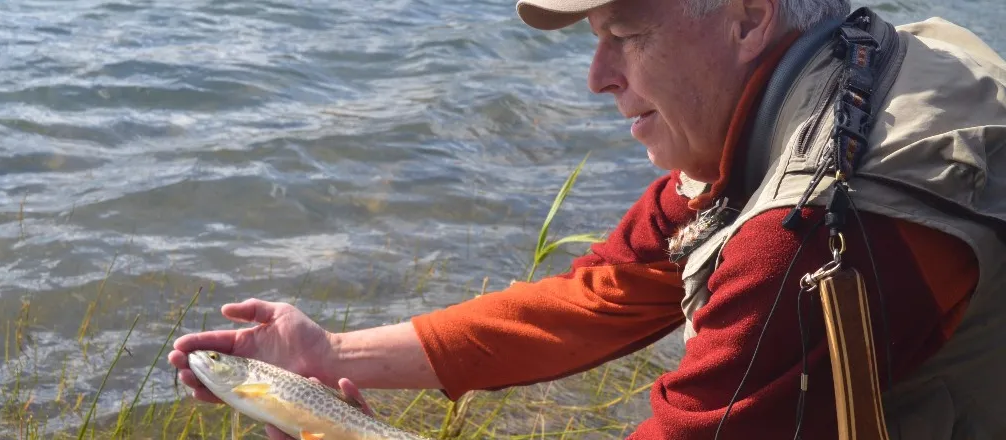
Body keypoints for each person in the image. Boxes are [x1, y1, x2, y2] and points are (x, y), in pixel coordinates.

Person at [169, 0, 1006, 438]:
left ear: (750, 17)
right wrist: (331, 356)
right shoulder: (842, 69)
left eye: (627, 36)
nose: (596, 76)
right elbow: (597, 297)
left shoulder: (805, 236)